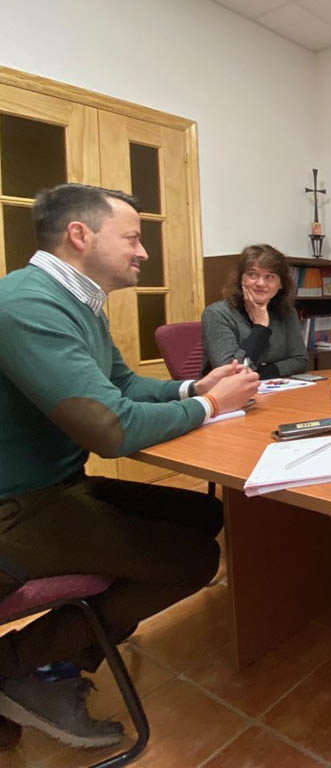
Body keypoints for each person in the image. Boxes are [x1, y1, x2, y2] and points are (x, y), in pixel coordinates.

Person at [0, 183, 259, 749]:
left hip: (57, 488)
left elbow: (122, 384)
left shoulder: (76, 300)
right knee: (193, 558)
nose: (143, 252)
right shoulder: (27, 305)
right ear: (80, 235)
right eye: (133, 238)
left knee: (201, 515)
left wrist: (196, 385)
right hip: (15, 511)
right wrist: (213, 407)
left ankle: (69, 648)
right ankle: (20, 668)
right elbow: (111, 427)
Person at [202, 243, 308, 380]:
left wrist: (257, 373)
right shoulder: (217, 314)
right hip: (226, 396)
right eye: (253, 275)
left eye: (269, 277)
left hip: (272, 391)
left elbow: (300, 361)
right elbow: (230, 372)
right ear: (241, 279)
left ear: (281, 284)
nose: (261, 283)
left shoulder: (287, 312)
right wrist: (260, 326)